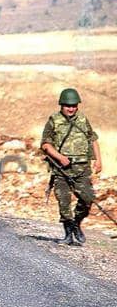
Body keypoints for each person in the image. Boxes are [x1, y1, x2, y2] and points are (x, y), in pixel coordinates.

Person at [40, 88, 102, 246]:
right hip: (61, 170)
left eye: (74, 106)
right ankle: (68, 234)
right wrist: (60, 157)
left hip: (82, 170)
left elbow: (93, 139)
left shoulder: (82, 119)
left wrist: (98, 160)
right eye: (68, 105)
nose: (71, 109)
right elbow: (46, 144)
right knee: (64, 202)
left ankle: (76, 223)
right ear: (61, 105)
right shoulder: (54, 120)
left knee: (87, 199)